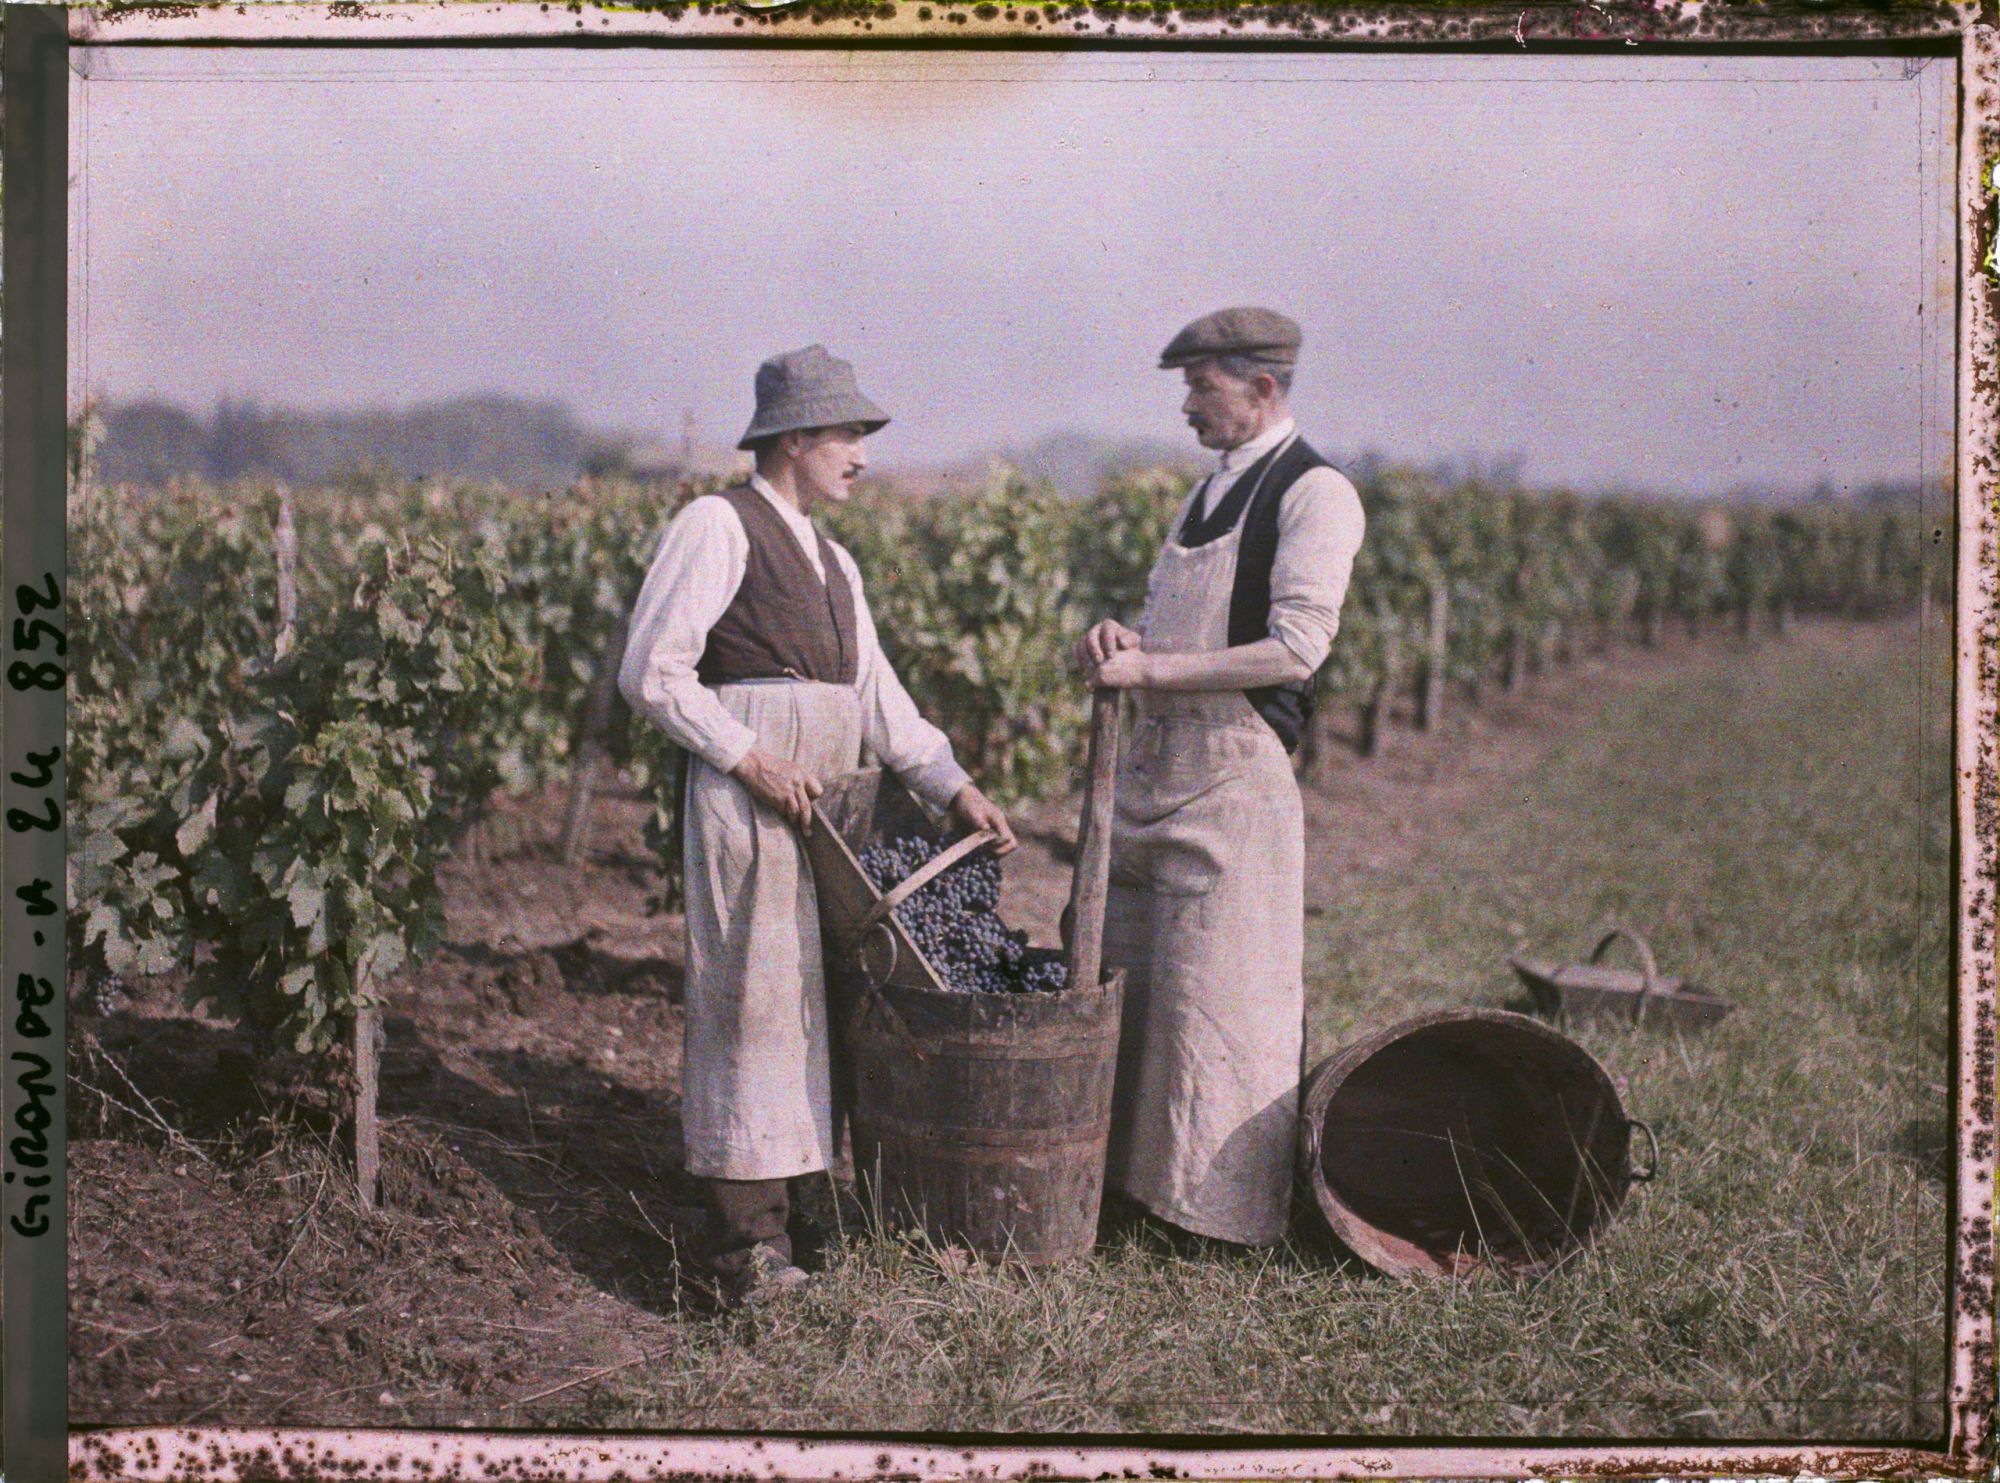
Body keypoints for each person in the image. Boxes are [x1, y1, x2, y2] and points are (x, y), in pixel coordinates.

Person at [619, 344, 1016, 1304]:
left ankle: (802, 1207)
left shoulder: (835, 561)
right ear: (793, 436)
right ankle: (738, 1247)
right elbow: (652, 670)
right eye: (848, 435)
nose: (863, 456)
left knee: (819, 1004)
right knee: (750, 1002)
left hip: (833, 805)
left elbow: (881, 702)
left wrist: (953, 783)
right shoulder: (718, 524)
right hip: (754, 796)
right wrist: (746, 755)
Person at [1073, 306, 1366, 1249]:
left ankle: (1214, 1221)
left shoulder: (1316, 494)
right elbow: (1186, 629)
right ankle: (1129, 1196)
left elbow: (1295, 648)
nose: (1189, 408)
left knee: (1220, 1002)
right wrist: (1129, 636)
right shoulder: (1208, 493)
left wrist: (1152, 670)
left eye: (1202, 388)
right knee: (1144, 986)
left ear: (1263, 389)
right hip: (1159, 776)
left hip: (1236, 782)